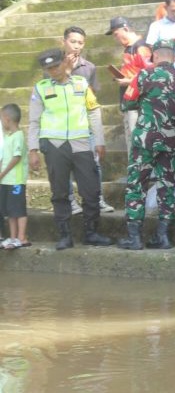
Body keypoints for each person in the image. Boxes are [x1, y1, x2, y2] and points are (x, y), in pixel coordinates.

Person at [27, 49, 112, 250]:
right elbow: (34, 121)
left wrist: (99, 140)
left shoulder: (81, 84)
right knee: (59, 192)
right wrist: (33, 150)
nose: (53, 71)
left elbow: (93, 111)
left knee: (91, 191)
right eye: (48, 69)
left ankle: (91, 232)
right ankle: (65, 235)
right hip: (55, 146)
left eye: (55, 66)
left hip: (81, 144)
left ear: (64, 63)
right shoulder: (40, 88)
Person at [118, 40, 175, 251]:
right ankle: (163, 236)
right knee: (167, 187)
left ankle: (134, 238)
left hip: (145, 140)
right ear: (174, 57)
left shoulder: (143, 76)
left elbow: (127, 103)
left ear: (154, 56)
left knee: (136, 185)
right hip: (170, 142)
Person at [59, 27, 115, 214]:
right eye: (73, 41)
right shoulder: (53, 66)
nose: (76, 46)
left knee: (94, 164)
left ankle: (97, 198)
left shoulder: (89, 67)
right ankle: (70, 201)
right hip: (60, 127)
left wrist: (98, 135)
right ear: (64, 41)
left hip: (83, 126)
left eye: (80, 43)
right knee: (64, 167)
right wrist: (65, 70)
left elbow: (92, 99)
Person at [106, 16, 152, 153]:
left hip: (138, 101)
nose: (116, 38)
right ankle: (134, 172)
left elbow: (150, 75)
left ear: (125, 29)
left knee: (136, 138)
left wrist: (128, 81)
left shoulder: (141, 47)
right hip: (128, 100)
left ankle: (141, 172)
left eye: (116, 34)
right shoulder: (128, 48)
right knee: (131, 139)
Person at [0, 104, 28, 250]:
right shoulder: (8, 137)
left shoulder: (18, 136)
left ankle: (21, 238)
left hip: (16, 180)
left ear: (7, 119)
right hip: (6, 181)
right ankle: (12, 238)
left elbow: (16, 157)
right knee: (11, 211)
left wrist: (2, 173)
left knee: (19, 210)